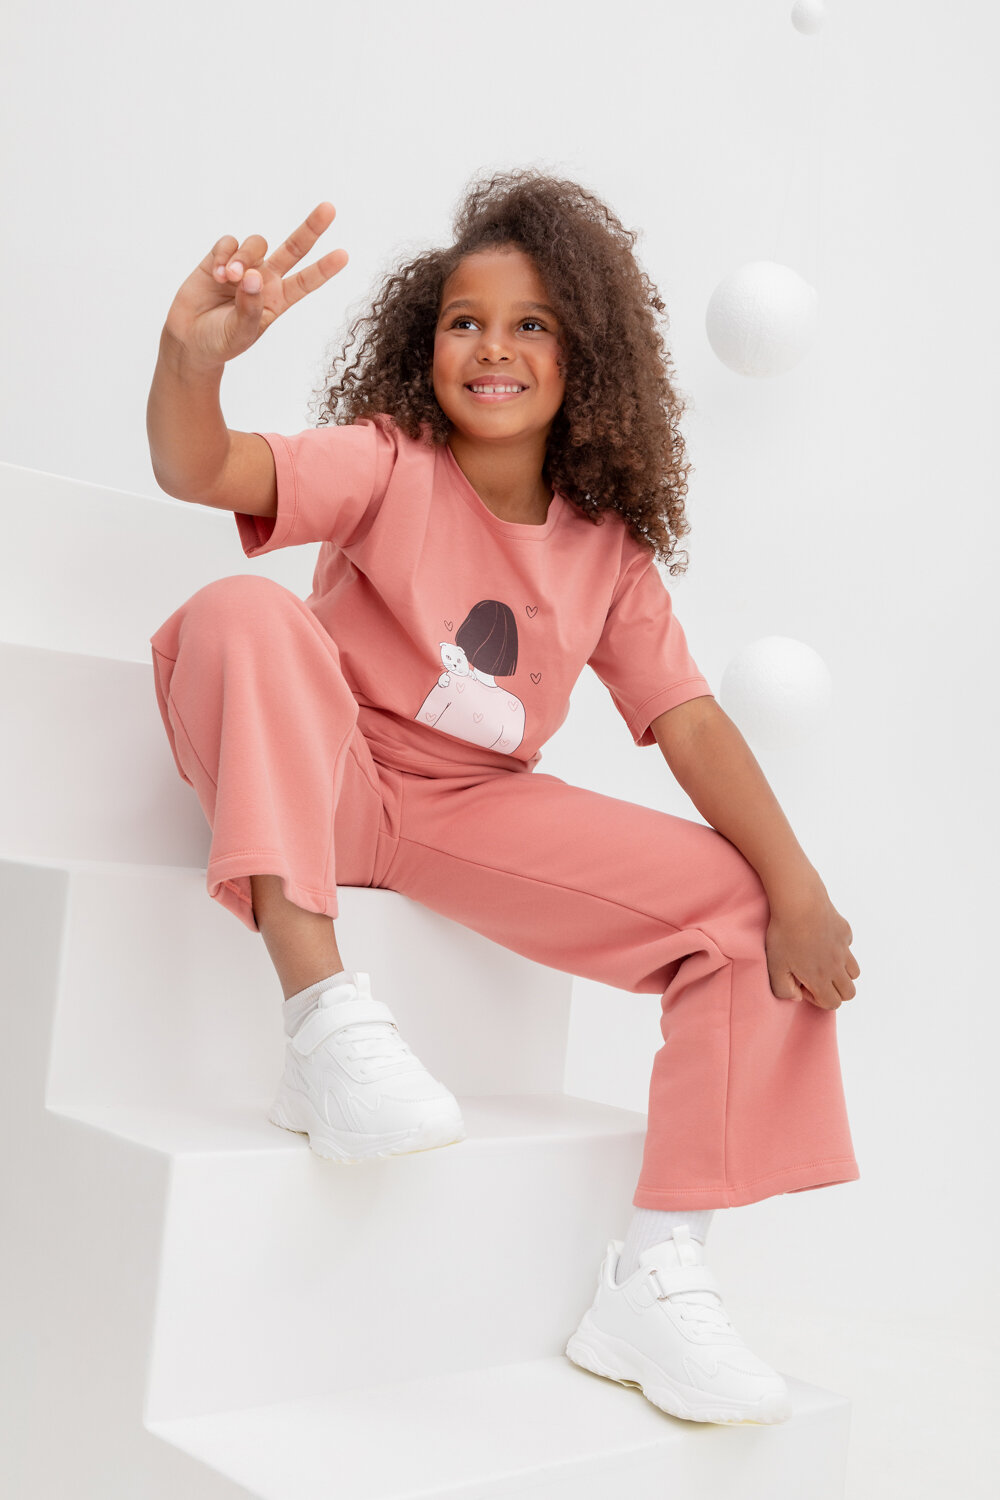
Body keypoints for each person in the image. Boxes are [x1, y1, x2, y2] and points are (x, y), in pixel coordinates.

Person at [145, 169, 861, 1428]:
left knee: (744, 908)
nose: (493, 347)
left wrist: (799, 886)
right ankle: (321, 1027)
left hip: (468, 812)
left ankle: (656, 1276)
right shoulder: (387, 463)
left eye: (531, 324)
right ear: (423, 345)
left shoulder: (606, 546)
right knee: (241, 608)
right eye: (464, 321)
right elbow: (201, 466)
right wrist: (188, 360)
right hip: (321, 770)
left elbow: (688, 720)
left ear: (585, 357)